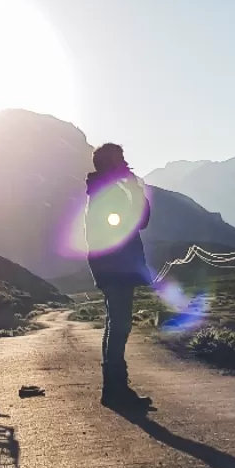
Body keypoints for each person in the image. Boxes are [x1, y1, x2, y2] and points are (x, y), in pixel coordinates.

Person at [85, 143, 152, 410]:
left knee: (115, 324)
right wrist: (134, 188)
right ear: (109, 164)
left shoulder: (102, 189)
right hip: (116, 267)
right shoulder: (108, 192)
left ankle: (113, 387)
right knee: (120, 325)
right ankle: (116, 389)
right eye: (120, 159)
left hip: (110, 266)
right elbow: (139, 220)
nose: (125, 162)